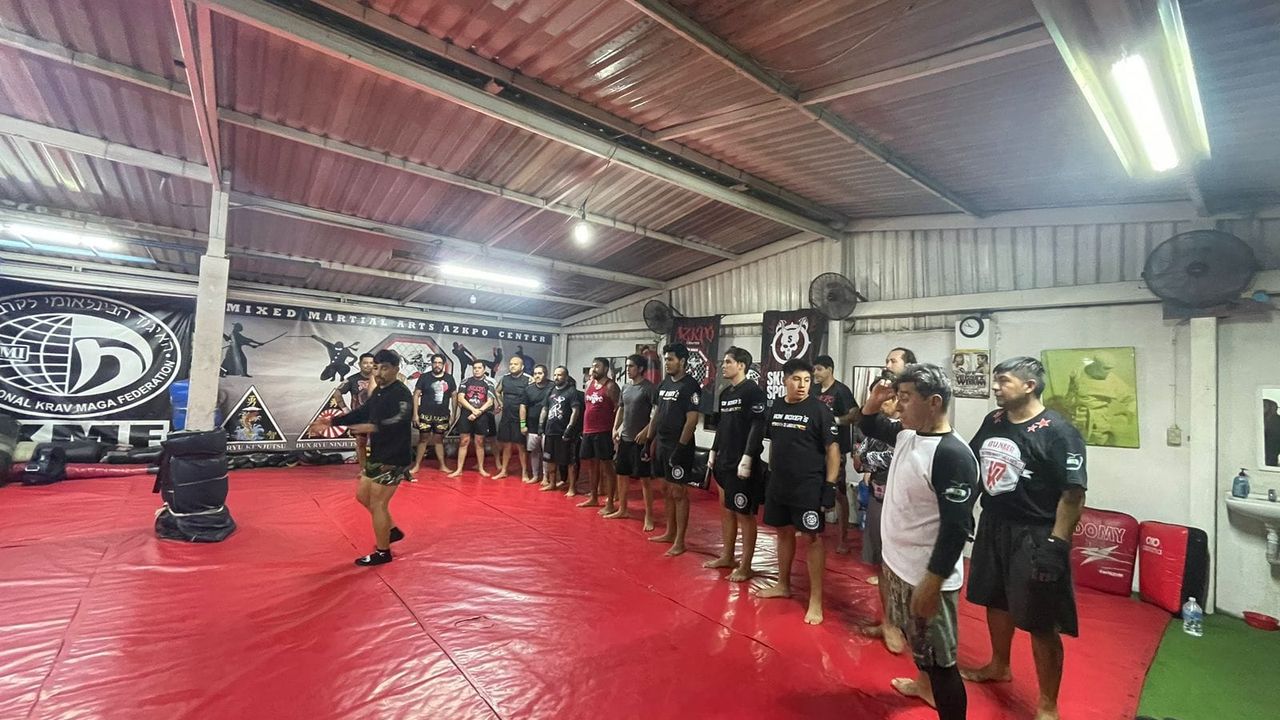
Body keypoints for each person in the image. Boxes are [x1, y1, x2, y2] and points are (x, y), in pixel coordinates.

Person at [962, 357, 1088, 720]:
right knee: (994, 598)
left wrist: (1057, 544)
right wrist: (965, 509)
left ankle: (1048, 704)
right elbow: (975, 466)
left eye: (1003, 380)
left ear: (1029, 385)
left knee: (1040, 620)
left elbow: (1073, 495)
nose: (995, 387)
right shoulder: (995, 420)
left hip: (1036, 532)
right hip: (994, 524)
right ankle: (999, 665)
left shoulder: (1059, 431)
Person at [858, 364, 979, 720]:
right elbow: (869, 425)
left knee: (942, 663)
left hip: (926, 576)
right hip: (900, 566)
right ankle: (922, 686)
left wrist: (932, 581)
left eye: (906, 398)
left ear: (934, 402)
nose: (898, 405)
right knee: (919, 646)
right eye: (898, 397)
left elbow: (957, 528)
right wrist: (874, 400)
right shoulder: (907, 434)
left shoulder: (952, 455)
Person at [754, 358, 839, 625]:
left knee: (812, 539)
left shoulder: (819, 410)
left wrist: (830, 485)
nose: (802, 385)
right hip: (779, 483)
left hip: (808, 485)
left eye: (806, 380)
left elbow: (833, 450)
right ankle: (783, 584)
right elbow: (774, 442)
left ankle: (816, 600)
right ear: (785, 380)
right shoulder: (776, 407)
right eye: (796, 379)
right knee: (783, 532)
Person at [311, 349, 413, 566]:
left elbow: (401, 419)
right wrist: (332, 422)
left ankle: (383, 553)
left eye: (385, 368)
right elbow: (363, 412)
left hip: (394, 457)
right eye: (376, 367)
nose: (379, 372)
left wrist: (374, 427)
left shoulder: (402, 393)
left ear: (396, 369)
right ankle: (391, 530)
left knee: (378, 503)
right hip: (378, 453)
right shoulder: (379, 392)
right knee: (362, 496)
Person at [703, 347, 767, 582]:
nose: (724, 366)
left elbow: (758, 426)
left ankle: (746, 565)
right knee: (726, 509)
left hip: (742, 462)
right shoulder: (725, 393)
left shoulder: (753, 392)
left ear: (741, 365)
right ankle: (727, 556)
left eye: (728, 362)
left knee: (744, 513)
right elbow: (722, 425)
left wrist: (748, 457)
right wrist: (713, 450)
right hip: (724, 460)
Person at [853, 392, 907, 654]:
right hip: (877, 497)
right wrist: (870, 460)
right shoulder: (874, 431)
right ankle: (890, 622)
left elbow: (889, 458)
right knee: (882, 563)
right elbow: (858, 461)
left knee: (905, 566)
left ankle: (906, 623)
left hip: (903, 504)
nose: (882, 403)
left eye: (888, 398)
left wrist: (870, 460)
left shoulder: (909, 430)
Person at [637, 343, 702, 557]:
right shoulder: (664, 384)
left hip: (679, 445)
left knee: (679, 492)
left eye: (671, 359)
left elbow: (692, 421)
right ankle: (670, 532)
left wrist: (681, 448)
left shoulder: (690, 386)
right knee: (665, 488)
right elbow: (656, 414)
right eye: (665, 359)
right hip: (662, 443)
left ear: (682, 361)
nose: (667, 363)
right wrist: (648, 440)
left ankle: (680, 541)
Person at [607, 354, 658, 529]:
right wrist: (615, 428)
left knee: (644, 479)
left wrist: (646, 431)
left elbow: (657, 414)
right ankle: (623, 509)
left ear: (641, 369)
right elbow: (621, 409)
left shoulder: (649, 388)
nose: (627, 369)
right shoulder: (626, 387)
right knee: (622, 474)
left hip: (640, 440)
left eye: (631, 366)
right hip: (625, 438)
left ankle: (649, 516)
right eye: (627, 366)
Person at [813, 354, 858, 554]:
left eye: (819, 369)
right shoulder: (813, 390)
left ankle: (843, 538)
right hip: (815, 448)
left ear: (829, 370)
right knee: (815, 488)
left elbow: (855, 414)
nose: (815, 373)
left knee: (838, 492)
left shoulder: (841, 390)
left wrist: (836, 421)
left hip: (836, 448)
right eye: (814, 369)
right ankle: (814, 528)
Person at [1062, 351, 1135, 446]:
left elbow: (1131, 399)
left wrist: (1126, 416)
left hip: (1100, 424)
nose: (1108, 372)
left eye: (1110, 368)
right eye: (1106, 368)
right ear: (1095, 364)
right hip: (1078, 420)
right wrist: (1068, 410)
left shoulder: (1113, 380)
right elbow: (1070, 395)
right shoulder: (1078, 373)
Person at [579, 357, 621, 512]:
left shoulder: (611, 386)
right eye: (593, 366)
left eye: (597, 366)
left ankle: (610, 502)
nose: (594, 369)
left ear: (606, 369)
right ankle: (594, 497)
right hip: (588, 430)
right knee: (592, 465)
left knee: (607, 465)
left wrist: (616, 428)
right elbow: (587, 406)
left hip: (604, 431)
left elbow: (619, 408)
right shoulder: (589, 384)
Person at [411, 354, 456, 476]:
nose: (437, 365)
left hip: (442, 414)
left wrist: (454, 414)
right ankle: (416, 465)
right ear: (431, 364)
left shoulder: (449, 378)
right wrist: (415, 414)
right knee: (423, 439)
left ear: (444, 364)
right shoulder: (424, 377)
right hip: (425, 414)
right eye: (435, 362)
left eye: (440, 363)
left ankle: (442, 465)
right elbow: (416, 395)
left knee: (439, 440)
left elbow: (454, 396)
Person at [540, 366, 582, 495]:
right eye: (555, 375)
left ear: (566, 377)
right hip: (550, 430)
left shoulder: (571, 391)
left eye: (559, 375)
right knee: (550, 459)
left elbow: (575, 410)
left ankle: (572, 487)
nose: (556, 377)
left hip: (563, 432)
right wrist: (541, 424)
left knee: (569, 461)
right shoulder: (551, 390)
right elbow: (545, 409)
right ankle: (552, 483)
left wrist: (570, 427)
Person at [451, 359, 496, 477]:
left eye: (479, 368)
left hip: (481, 415)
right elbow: (460, 398)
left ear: (484, 369)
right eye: (475, 368)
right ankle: (459, 469)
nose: (476, 370)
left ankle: (481, 468)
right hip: (466, 414)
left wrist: (477, 412)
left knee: (479, 442)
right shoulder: (466, 381)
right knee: (464, 441)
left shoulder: (489, 383)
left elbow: (490, 402)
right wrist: (473, 410)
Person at [334, 352, 377, 466]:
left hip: (376, 416)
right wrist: (345, 409)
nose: (368, 365)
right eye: (365, 363)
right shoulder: (352, 379)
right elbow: (337, 392)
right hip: (360, 417)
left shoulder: (380, 379)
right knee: (361, 443)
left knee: (379, 443)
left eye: (371, 363)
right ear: (359, 364)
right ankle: (363, 469)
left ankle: (377, 469)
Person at [494, 356, 531, 481]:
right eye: (511, 364)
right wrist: (501, 403)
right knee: (506, 445)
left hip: (520, 418)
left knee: (521, 446)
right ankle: (504, 471)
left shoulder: (528, 379)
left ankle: (525, 473)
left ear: (522, 366)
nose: (512, 366)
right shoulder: (505, 378)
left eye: (516, 364)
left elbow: (532, 396)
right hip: (506, 416)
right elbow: (497, 391)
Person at [523, 365, 552, 484]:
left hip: (548, 425)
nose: (537, 376)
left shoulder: (552, 387)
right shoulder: (528, 389)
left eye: (540, 373)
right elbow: (523, 407)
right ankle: (535, 476)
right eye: (535, 373)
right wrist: (522, 424)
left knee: (547, 452)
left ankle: (546, 477)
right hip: (532, 425)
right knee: (534, 451)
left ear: (545, 374)